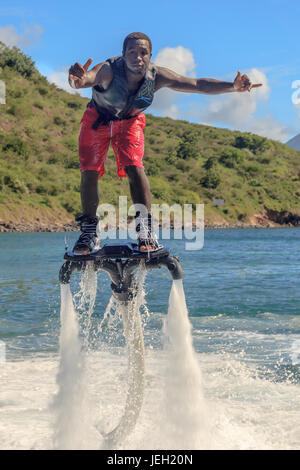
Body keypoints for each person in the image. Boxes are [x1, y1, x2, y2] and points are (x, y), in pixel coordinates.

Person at [68, 32, 262, 254]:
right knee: (89, 170)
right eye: (132, 52)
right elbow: (85, 79)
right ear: (123, 55)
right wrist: (76, 80)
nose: (138, 57)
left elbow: (197, 83)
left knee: (134, 167)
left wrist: (232, 87)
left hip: (129, 122)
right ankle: (89, 233)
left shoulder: (157, 76)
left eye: (143, 53)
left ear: (150, 56)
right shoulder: (108, 70)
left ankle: (145, 230)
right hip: (97, 120)